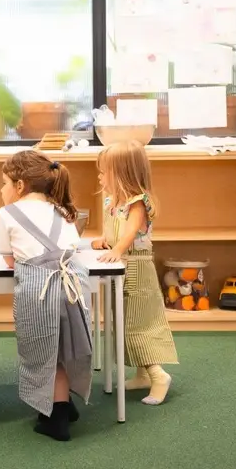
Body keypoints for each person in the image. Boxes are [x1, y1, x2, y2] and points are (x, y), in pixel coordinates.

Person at [0, 150, 93, 442]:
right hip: (75, 287)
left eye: (4, 183)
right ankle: (65, 402)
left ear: (20, 185)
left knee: (41, 351)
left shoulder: (5, 214)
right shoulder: (63, 210)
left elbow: (10, 260)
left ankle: (55, 417)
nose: (1, 190)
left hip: (40, 290)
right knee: (64, 348)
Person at [92, 140, 178, 405]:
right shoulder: (112, 202)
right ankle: (142, 375)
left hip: (137, 268)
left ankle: (158, 375)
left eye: (104, 172)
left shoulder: (137, 203)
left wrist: (118, 248)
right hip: (121, 268)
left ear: (122, 174)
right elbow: (114, 232)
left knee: (138, 324)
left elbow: (130, 233)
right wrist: (104, 241)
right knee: (124, 323)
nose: (100, 177)